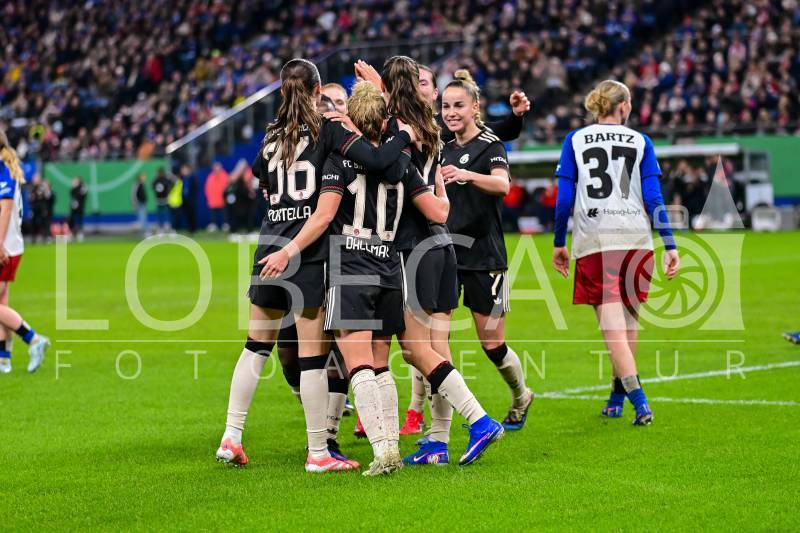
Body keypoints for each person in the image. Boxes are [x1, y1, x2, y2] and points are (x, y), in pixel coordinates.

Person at [215, 58, 418, 472]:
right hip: (306, 251)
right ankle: (319, 452)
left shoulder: (272, 136)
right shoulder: (328, 129)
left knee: (255, 347)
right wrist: (403, 133)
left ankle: (231, 437)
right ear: (317, 90)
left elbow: (262, 181)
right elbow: (377, 160)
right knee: (312, 357)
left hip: (269, 245)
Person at [319, 80, 469, 474]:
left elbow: (324, 213)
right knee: (381, 364)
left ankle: (383, 451)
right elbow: (438, 211)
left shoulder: (338, 160)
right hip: (388, 266)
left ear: (352, 120)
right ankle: (392, 449)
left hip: (351, 262)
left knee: (358, 365)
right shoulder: (401, 164)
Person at [552, 80, 680, 425]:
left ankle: (640, 402)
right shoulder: (641, 141)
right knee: (629, 323)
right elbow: (653, 197)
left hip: (597, 240)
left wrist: (559, 242)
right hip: (637, 239)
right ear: (623, 106)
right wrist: (669, 243)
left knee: (612, 328)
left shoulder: (575, 139)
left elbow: (564, 199)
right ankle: (616, 397)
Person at [440, 70, 535, 431]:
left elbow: (502, 185)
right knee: (437, 343)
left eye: (458, 106)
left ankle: (521, 395)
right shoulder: (441, 145)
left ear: (475, 107)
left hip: (484, 255)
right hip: (445, 254)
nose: (451, 113)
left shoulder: (490, 144)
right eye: (446, 106)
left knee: (492, 344)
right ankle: (439, 429)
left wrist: (467, 176)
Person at [0, 130, 50, 374]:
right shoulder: (7, 166)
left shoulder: (3, 169)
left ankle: (34, 339)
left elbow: (6, 209)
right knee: (2, 304)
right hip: (11, 246)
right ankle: (4, 359)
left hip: (5, 247)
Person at [205, 162, 229, 232]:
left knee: (224, 213)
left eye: (218, 168)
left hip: (222, 199)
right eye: (215, 168)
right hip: (213, 199)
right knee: (213, 214)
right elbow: (207, 188)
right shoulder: (210, 177)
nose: (217, 170)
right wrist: (208, 198)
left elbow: (227, 187)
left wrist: (226, 196)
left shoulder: (225, 176)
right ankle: (214, 225)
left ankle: (225, 225)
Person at [179, 165, 198, 233]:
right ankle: (189, 229)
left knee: (192, 215)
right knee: (186, 215)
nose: (184, 171)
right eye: (183, 170)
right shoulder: (181, 179)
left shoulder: (193, 178)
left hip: (191, 200)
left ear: (189, 170)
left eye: (185, 170)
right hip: (184, 200)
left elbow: (195, 188)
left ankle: (193, 229)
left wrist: (192, 198)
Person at [69, 176, 88, 241]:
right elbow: (71, 195)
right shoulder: (73, 189)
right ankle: (72, 233)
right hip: (73, 208)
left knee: (79, 220)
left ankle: (80, 233)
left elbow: (82, 195)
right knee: (72, 220)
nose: (74, 182)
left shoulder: (82, 188)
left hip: (80, 207)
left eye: (76, 181)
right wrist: (73, 187)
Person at [132, 172, 149, 237]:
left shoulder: (142, 184)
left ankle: (144, 231)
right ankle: (143, 231)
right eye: (143, 176)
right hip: (139, 204)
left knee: (143, 218)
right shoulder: (137, 185)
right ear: (140, 177)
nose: (144, 178)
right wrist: (135, 204)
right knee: (142, 218)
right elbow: (133, 195)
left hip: (143, 203)